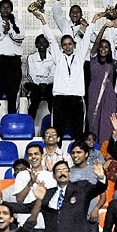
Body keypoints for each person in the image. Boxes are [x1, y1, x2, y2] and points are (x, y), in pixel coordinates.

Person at [31, 10, 96, 141]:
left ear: (74, 45)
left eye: (70, 44)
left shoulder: (79, 57)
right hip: (60, 99)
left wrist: (93, 21)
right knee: (57, 132)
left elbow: (88, 37)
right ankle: (57, 158)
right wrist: (43, 20)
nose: (67, 47)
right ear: (61, 47)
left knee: (79, 132)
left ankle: (79, 157)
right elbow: (50, 39)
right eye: (65, 45)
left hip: (77, 99)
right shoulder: (58, 57)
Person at [13, 143, 56, 232]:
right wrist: (30, 183)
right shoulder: (21, 176)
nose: (33, 157)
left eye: (36, 154)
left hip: (45, 226)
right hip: (26, 226)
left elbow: (53, 200)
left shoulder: (50, 176)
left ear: (42, 156)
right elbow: (19, 200)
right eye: (30, 154)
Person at [0, 0, 25, 120]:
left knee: (13, 95)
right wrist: (3, 32)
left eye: (8, 7)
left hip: (13, 62)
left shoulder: (17, 22)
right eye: (3, 7)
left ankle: (12, 122)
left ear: (11, 9)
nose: (5, 10)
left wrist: (10, 31)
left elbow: (19, 39)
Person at [88, 19, 117, 143]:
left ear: (109, 50)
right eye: (101, 46)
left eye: (106, 47)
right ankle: (94, 148)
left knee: (107, 122)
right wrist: (104, 27)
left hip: (109, 95)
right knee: (93, 121)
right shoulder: (93, 59)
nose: (103, 49)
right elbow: (96, 42)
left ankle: (106, 149)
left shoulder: (111, 63)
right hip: (94, 92)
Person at [25, 34, 55, 119]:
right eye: (39, 42)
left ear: (48, 44)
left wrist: (45, 83)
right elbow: (31, 75)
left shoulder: (53, 58)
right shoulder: (31, 57)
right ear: (36, 45)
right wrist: (40, 84)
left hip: (48, 84)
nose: (41, 44)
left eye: (44, 42)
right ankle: (30, 122)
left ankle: (54, 122)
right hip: (35, 84)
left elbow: (53, 75)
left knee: (52, 98)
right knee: (35, 97)